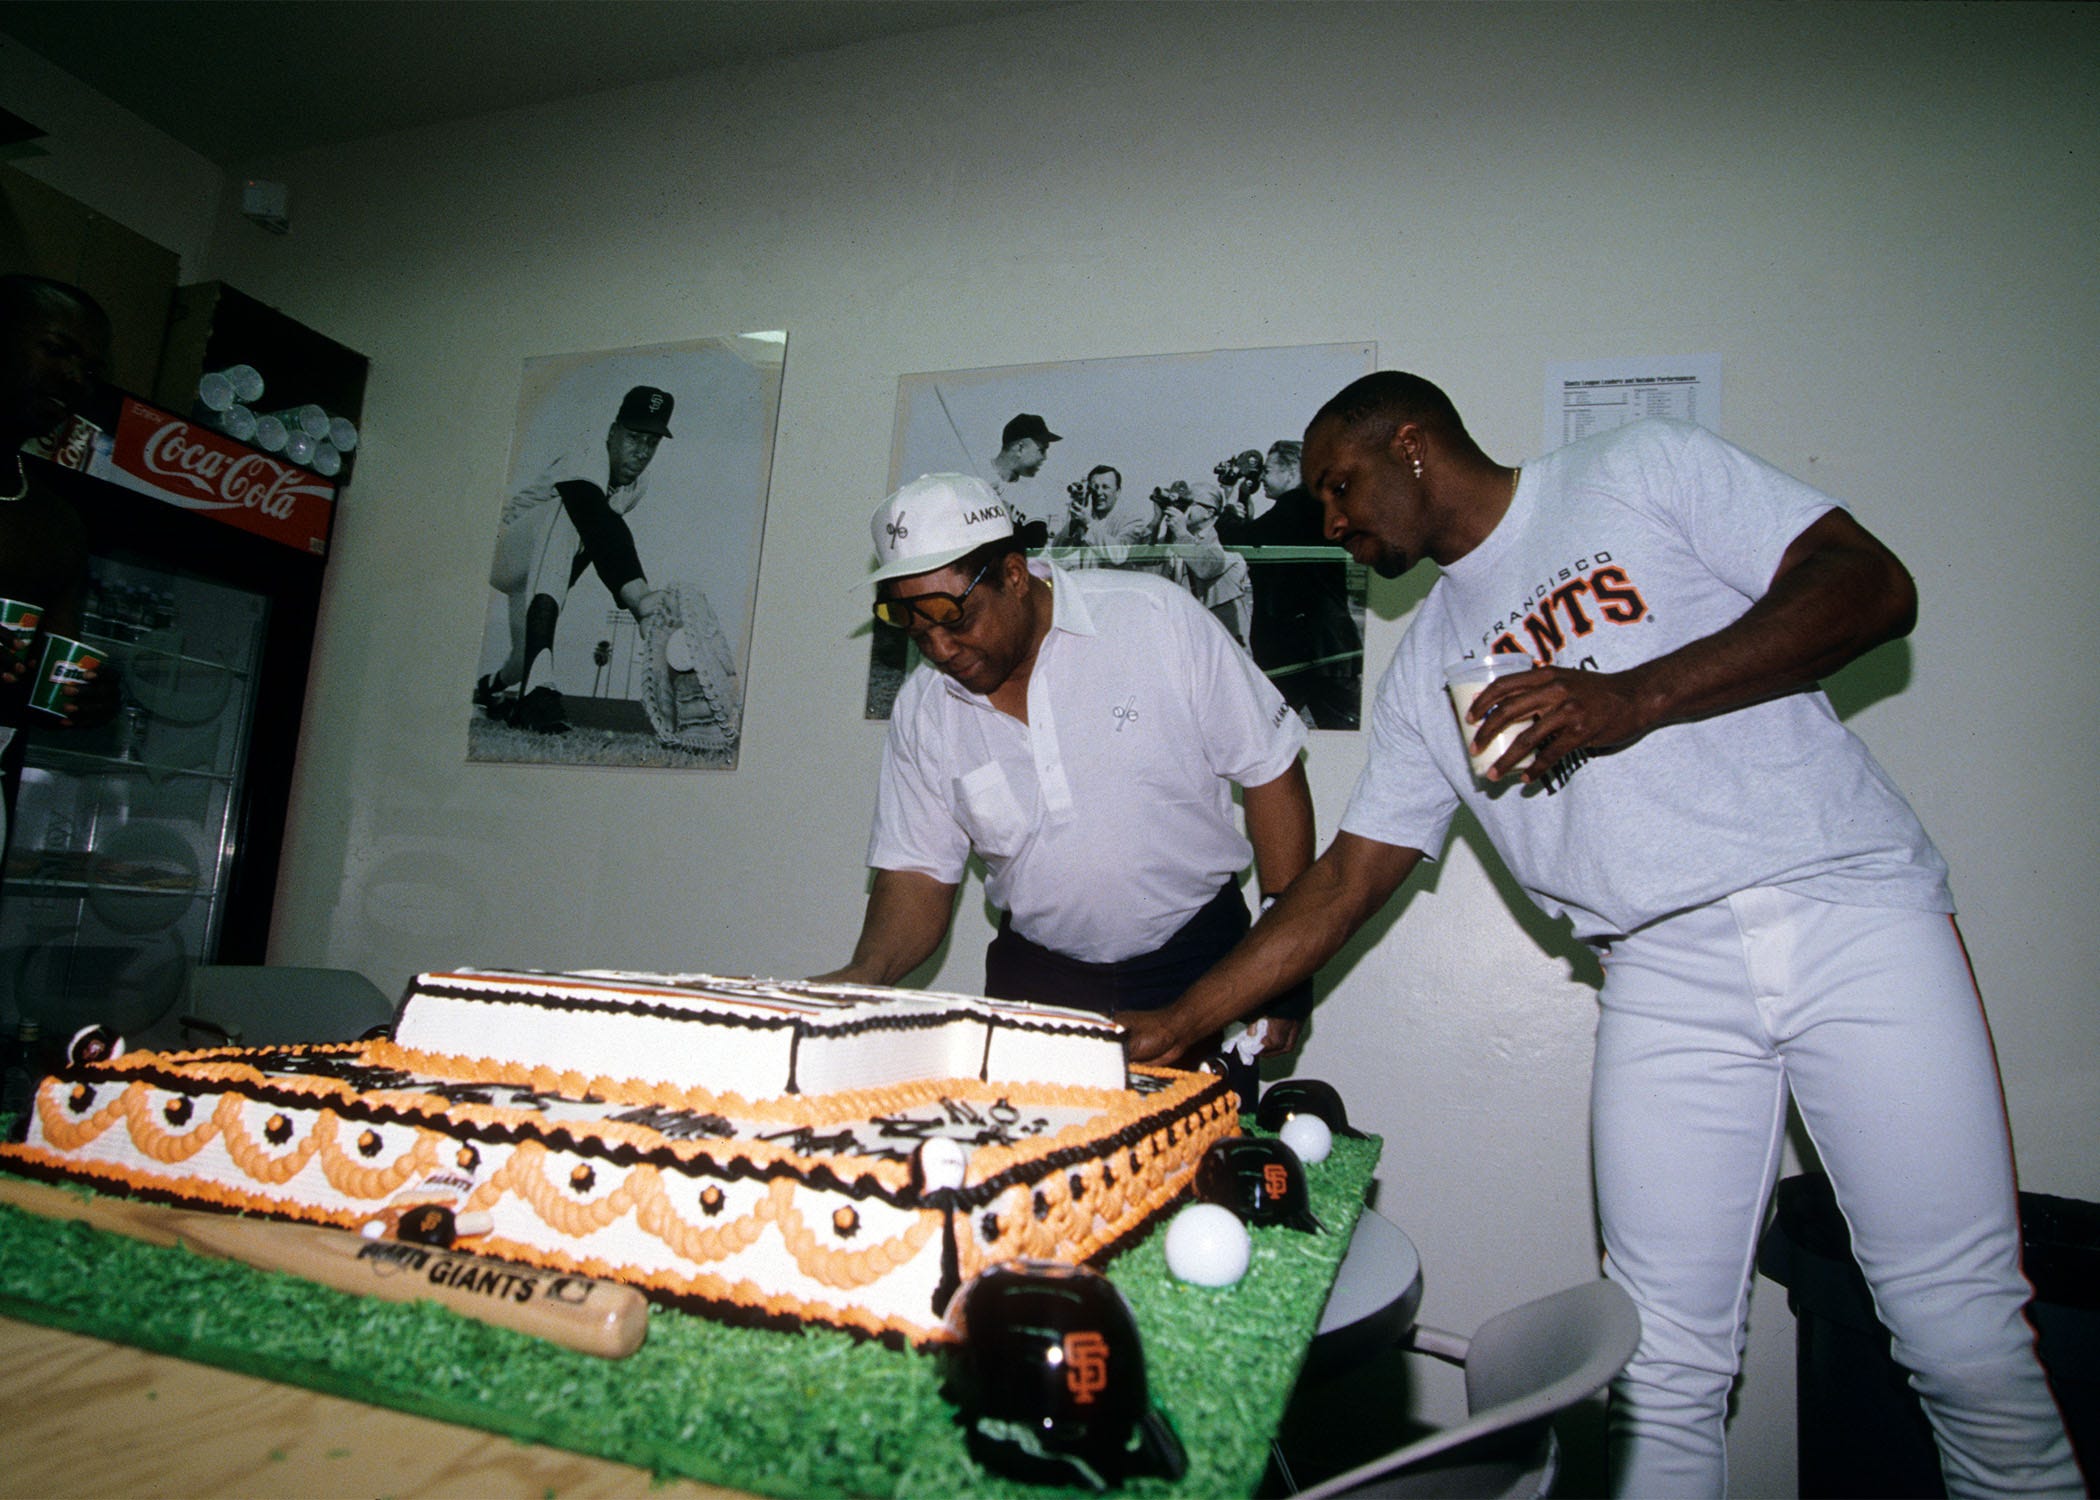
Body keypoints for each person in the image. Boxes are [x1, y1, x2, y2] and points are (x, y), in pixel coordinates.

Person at [1125, 372, 2081, 1497]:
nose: (1330, 524)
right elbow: (1341, 881)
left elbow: (1871, 585)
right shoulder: (1426, 662)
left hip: (1849, 911)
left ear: (1414, 443)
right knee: (1663, 1368)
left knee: (1958, 1333)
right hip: (1659, 972)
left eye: (1340, 487)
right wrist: (1181, 1022)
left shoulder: (1637, 468)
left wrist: (1635, 695)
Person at [820, 472, 1315, 1104]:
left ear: (1014, 574)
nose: (940, 648)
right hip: (1038, 982)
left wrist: (1283, 965)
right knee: (1034, 1178)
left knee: (1202, 1177)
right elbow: (916, 871)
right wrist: (863, 979)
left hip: (1198, 966)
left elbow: (1272, 771)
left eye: (956, 619)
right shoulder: (925, 707)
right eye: (916, 629)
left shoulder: (1154, 621)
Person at [478, 386, 675, 732]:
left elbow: (596, 547)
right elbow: (592, 519)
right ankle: (537, 693)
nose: (642, 451)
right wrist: (639, 599)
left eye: (652, 443)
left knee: (523, 656)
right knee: (568, 509)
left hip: (543, 568)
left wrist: (548, 605)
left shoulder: (637, 484)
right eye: (634, 437)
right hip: (503, 553)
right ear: (613, 432)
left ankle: (488, 689)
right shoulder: (588, 452)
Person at [1, 274, 117, 863]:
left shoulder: (56, 523)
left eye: (90, 369)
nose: (74, 380)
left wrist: (86, 699)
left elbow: (43, 693)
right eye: (57, 349)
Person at [1216, 439, 1363, 730]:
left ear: (1293, 471)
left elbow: (1239, 540)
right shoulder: (1318, 507)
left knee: (1268, 735)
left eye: (1268, 470)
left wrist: (1230, 501)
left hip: (1297, 651)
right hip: (1327, 648)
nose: (1262, 479)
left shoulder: (1295, 506)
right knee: (1344, 732)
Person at [1154, 479, 1252, 648]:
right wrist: (1157, 519)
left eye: (1188, 503)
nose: (1182, 508)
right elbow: (1149, 565)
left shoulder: (1224, 533)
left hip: (1225, 634)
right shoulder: (1181, 538)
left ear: (1208, 512)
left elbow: (1207, 567)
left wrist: (1181, 532)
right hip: (1193, 629)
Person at [988, 412, 1060, 543]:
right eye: (1042, 450)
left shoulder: (1032, 493)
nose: (1044, 458)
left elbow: (1036, 545)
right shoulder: (977, 478)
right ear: (1020, 448)